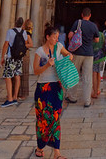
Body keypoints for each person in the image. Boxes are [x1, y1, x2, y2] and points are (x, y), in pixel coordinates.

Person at [33, 24, 73, 159]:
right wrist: (47, 65)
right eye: (54, 37)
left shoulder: (59, 47)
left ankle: (57, 152)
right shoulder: (40, 51)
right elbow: (35, 71)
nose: (57, 39)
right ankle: (40, 147)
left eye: (57, 37)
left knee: (55, 117)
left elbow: (68, 54)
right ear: (47, 37)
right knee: (43, 119)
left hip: (56, 87)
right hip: (43, 88)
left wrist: (69, 56)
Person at [66, 7, 100, 107]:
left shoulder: (78, 23)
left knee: (74, 75)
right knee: (87, 77)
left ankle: (72, 97)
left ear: (82, 15)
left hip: (77, 52)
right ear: (90, 15)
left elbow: (69, 35)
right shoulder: (93, 26)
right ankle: (87, 101)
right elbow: (97, 40)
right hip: (89, 53)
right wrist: (89, 40)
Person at [0, 17, 31, 107]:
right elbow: (25, 44)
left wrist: (2, 56)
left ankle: (9, 98)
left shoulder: (10, 31)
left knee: (8, 77)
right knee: (17, 76)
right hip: (19, 58)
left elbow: (6, 44)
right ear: (22, 24)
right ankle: (15, 97)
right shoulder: (24, 32)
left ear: (15, 22)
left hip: (11, 57)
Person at [20, 19, 34, 99]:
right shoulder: (28, 32)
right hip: (25, 53)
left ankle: (23, 94)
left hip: (24, 54)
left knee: (23, 74)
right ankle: (21, 93)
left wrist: (21, 46)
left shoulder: (27, 33)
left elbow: (31, 44)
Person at [91, 21, 106, 98]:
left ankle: (94, 92)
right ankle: (98, 89)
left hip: (93, 56)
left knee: (94, 73)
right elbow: (104, 44)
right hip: (101, 56)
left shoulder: (91, 35)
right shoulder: (102, 34)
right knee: (99, 74)